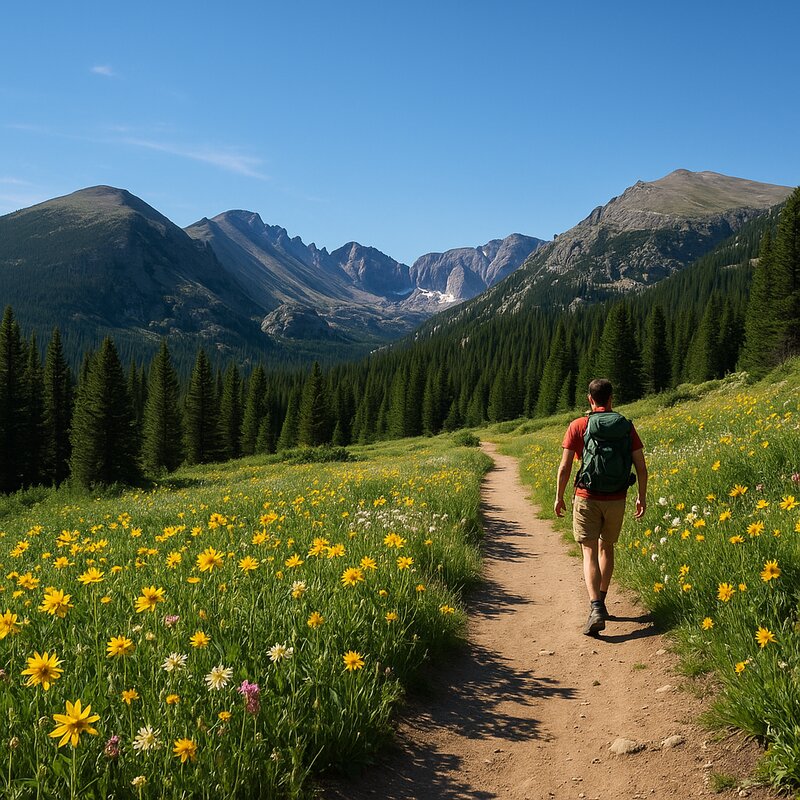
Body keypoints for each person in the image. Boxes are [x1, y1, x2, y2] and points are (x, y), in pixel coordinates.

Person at [554, 378, 647, 636]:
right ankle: (603, 602)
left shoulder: (578, 425)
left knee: (588, 551)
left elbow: (564, 468)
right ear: (611, 399)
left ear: (590, 399)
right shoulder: (625, 426)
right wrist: (641, 496)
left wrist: (559, 496)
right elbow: (641, 466)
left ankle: (595, 607)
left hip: (587, 495)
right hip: (616, 497)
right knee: (607, 547)